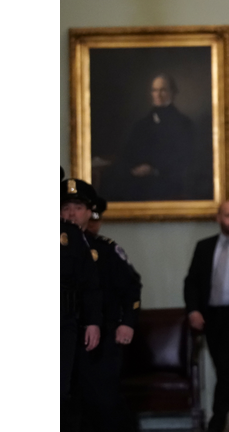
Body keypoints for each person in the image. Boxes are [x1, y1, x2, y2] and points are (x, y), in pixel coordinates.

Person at [62, 179, 143, 432]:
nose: (71, 213)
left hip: (102, 336)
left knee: (103, 401)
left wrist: (127, 322)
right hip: (69, 334)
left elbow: (131, 288)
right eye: (65, 207)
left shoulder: (105, 249)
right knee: (70, 401)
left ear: (90, 212)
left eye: (77, 207)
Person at [184, 200, 229, 432]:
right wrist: (193, 310)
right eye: (227, 215)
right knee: (227, 371)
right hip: (212, 318)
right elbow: (191, 282)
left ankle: (216, 422)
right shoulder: (205, 246)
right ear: (218, 218)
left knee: (228, 368)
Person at [105, 73, 199, 201]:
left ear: (173, 92)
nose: (158, 94)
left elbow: (185, 158)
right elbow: (127, 153)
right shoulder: (142, 124)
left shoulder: (184, 124)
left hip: (168, 181)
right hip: (138, 180)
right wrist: (134, 169)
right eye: (155, 90)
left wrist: (154, 169)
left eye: (163, 90)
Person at [61, 177, 101, 432]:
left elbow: (88, 283)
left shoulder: (69, 234)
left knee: (59, 392)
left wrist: (93, 321)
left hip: (61, 321)